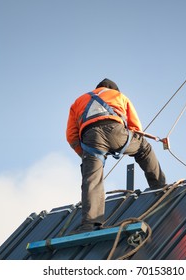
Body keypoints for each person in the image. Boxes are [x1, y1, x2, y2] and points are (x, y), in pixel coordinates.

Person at [66, 78, 166, 233]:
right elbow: (136, 128)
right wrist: (126, 140)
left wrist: (86, 155)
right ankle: (159, 188)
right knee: (144, 148)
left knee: (91, 179)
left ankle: (90, 223)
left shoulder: (78, 101)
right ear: (113, 89)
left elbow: (71, 136)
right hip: (116, 130)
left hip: (91, 138)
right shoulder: (119, 96)